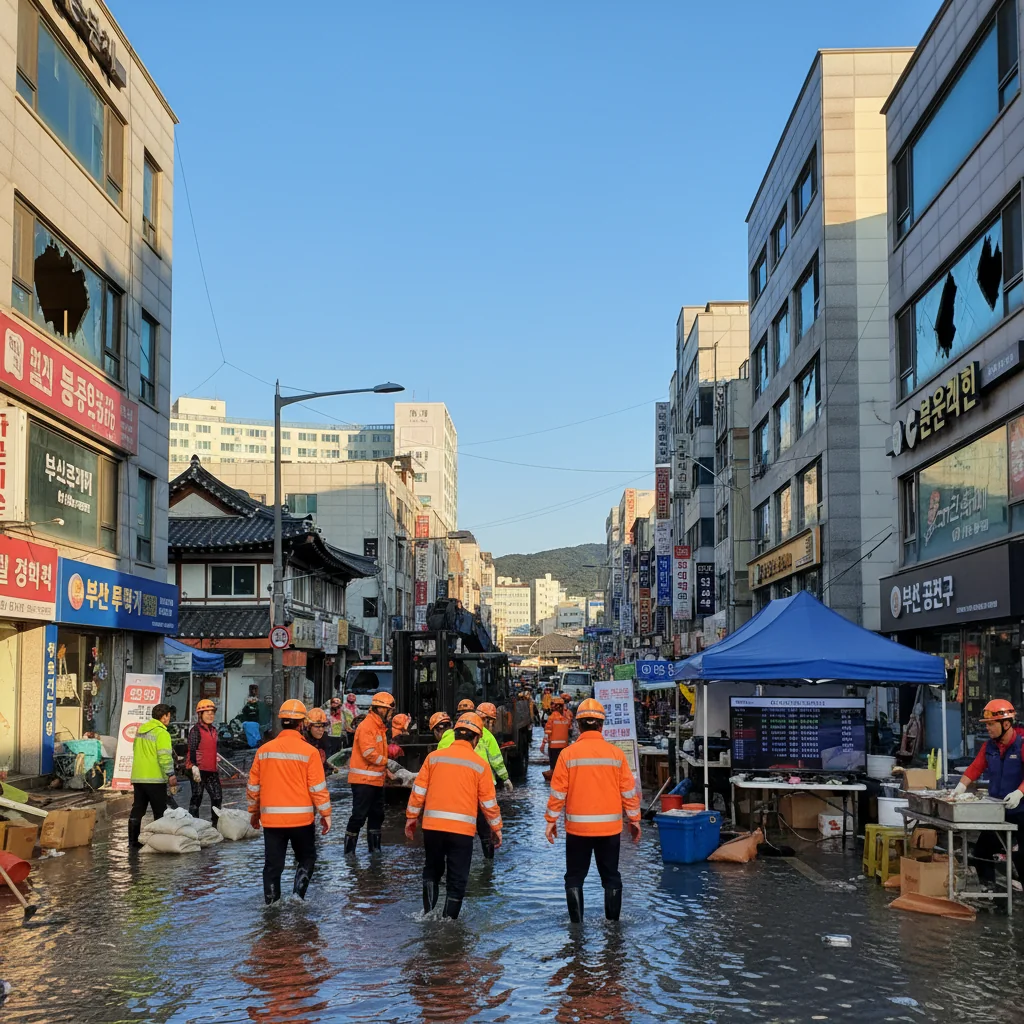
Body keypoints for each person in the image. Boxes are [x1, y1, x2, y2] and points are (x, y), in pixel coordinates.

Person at [544, 698, 641, 922]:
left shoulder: (567, 754)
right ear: (601, 725)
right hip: (610, 830)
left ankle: (576, 932)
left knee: (574, 878)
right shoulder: (616, 754)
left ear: (578, 725)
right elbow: (628, 792)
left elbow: (558, 792)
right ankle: (613, 929)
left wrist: (551, 820)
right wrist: (634, 819)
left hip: (578, 830)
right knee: (611, 877)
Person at [405, 712, 503, 919]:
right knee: (457, 880)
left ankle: (427, 916)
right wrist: (496, 828)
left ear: (455, 733)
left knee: (431, 871)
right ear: (476, 739)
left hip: (432, 828)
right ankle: (448, 925)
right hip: (461, 831)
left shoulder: (433, 758)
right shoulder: (480, 765)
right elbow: (488, 804)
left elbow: (418, 791)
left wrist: (411, 818)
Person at [246, 699, 331, 904]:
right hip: (302, 821)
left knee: (273, 866)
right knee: (306, 859)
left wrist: (254, 812)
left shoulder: (264, 751)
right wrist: (325, 814)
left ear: (281, 721)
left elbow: (253, 787)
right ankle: (297, 898)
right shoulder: (310, 752)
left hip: (272, 821)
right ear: (301, 724)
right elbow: (317, 788)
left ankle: (271, 906)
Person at [953, 698, 1024, 889]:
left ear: (1006, 724)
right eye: (987, 724)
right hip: (998, 812)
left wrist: (1019, 792)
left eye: (991, 724)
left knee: (1022, 857)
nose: (988, 728)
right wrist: (959, 788)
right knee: (981, 853)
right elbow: (975, 768)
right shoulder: (989, 747)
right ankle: (991, 892)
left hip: (1021, 810)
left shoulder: (1022, 744)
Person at [437, 701, 512, 860]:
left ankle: (455, 858)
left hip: (458, 787)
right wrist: (505, 779)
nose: (491, 725)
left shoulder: (450, 735)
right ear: (485, 720)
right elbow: (496, 760)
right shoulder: (487, 736)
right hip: (482, 787)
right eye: (491, 721)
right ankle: (488, 859)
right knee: (485, 828)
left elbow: (439, 761)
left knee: (458, 827)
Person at [344, 691, 396, 854]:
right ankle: (349, 852)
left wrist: (386, 770)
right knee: (359, 816)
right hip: (363, 782)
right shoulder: (367, 726)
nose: (391, 714)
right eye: (390, 711)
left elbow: (376, 754)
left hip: (375, 781)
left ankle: (375, 850)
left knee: (377, 815)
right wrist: (387, 762)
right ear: (382, 709)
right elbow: (369, 753)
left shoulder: (379, 727)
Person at [128, 703, 177, 850]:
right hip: (154, 778)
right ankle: (159, 842)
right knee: (160, 811)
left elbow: (135, 749)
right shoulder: (162, 733)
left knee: (138, 809)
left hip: (138, 777)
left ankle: (133, 842)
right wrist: (171, 774)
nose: (169, 719)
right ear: (164, 716)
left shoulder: (141, 731)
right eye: (169, 716)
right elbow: (164, 757)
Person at [186, 698, 222, 823]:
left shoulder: (213, 730)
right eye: (207, 713)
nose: (210, 715)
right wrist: (194, 766)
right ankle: (193, 823)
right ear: (200, 714)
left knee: (217, 797)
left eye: (212, 713)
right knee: (197, 796)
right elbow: (192, 749)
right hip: (197, 769)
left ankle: (216, 824)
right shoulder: (195, 730)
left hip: (211, 769)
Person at [540, 697, 572, 772]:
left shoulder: (552, 718)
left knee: (554, 768)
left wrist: (543, 744)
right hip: (564, 747)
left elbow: (547, 732)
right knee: (563, 768)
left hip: (553, 747)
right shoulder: (567, 717)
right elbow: (570, 729)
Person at [305, 707, 333, 771]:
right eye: (317, 726)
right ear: (309, 727)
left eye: (323, 726)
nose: (321, 729)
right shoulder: (303, 742)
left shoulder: (325, 740)